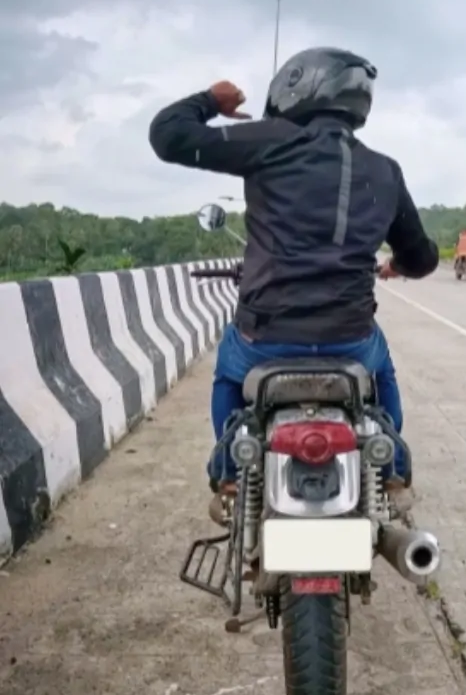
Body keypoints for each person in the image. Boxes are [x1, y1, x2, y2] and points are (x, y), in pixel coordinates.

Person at [149, 47, 439, 526]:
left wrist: (209, 99)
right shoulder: (384, 170)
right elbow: (422, 258)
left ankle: (227, 473)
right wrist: (399, 265)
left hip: (265, 338)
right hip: (350, 336)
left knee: (227, 373)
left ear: (297, 87)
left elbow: (167, 136)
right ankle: (393, 471)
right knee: (383, 371)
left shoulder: (269, 141)